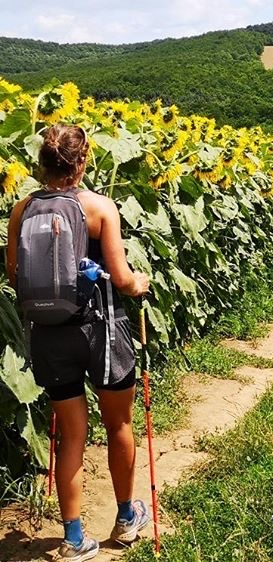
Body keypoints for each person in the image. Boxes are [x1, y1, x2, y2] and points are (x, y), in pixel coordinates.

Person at [4, 124, 151, 561]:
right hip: (101, 330)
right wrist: (138, 284)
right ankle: (126, 519)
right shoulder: (99, 207)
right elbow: (122, 280)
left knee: (71, 435)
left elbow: (15, 277)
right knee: (118, 425)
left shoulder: (21, 210)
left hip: (49, 335)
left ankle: (73, 538)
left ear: (41, 163)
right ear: (81, 162)